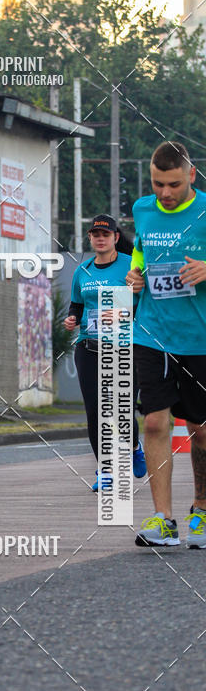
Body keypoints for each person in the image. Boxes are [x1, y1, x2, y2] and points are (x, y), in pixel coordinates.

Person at [126, 141, 206, 547]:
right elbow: (140, 250)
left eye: (173, 184)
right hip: (152, 332)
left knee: (201, 429)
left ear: (191, 175)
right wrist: (135, 274)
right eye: (158, 184)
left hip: (200, 338)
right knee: (155, 420)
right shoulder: (143, 209)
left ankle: (202, 511)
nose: (165, 193)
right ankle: (163, 519)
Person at [65, 214, 146, 491]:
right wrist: (72, 319)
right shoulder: (82, 271)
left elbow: (145, 302)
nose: (100, 238)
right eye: (95, 235)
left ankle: (134, 446)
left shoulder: (130, 266)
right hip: (89, 348)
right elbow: (76, 305)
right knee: (96, 412)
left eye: (105, 234)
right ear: (90, 238)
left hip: (126, 348)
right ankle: (105, 470)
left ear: (114, 237)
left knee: (121, 411)